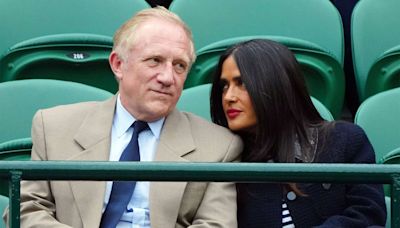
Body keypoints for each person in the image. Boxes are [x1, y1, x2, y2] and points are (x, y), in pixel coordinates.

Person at [3, 7, 242, 228]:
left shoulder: (220, 147)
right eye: (155, 61)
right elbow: (25, 209)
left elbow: (216, 224)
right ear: (118, 64)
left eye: (179, 65)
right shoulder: (54, 127)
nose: (168, 77)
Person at [210, 39, 386, 227]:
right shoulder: (226, 158)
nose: (228, 97)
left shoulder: (346, 140)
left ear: (275, 85)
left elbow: (368, 215)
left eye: (242, 83)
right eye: (224, 86)